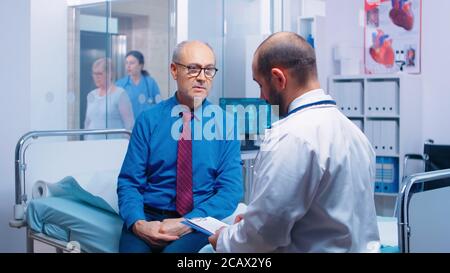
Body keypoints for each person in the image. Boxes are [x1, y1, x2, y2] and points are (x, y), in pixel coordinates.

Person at [209, 32, 380, 253]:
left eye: (260, 85)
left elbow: (262, 237)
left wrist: (224, 239)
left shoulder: (290, 137)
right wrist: (254, 219)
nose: (261, 97)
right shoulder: (355, 134)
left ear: (279, 78)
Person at [117, 40, 243, 253]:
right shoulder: (149, 121)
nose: (202, 77)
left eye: (209, 70)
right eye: (193, 69)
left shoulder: (226, 124)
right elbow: (129, 182)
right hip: (149, 216)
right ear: (174, 71)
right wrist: (138, 223)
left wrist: (186, 222)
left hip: (199, 219)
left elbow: (230, 191)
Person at [84, 58, 134, 139]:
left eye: (99, 73)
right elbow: (87, 123)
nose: (96, 77)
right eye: (94, 73)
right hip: (91, 146)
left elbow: (129, 125)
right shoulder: (91, 95)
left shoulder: (120, 94)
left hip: (112, 146)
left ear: (109, 74)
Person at [116, 50, 161, 119]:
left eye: (132, 63)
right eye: (126, 63)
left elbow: (159, 105)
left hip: (147, 124)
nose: (128, 66)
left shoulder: (150, 83)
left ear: (141, 65)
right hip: (128, 127)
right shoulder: (120, 85)